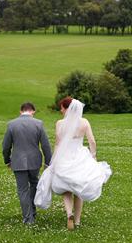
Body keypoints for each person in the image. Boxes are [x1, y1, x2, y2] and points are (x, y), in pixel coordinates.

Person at [35, 97, 112, 230]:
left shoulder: (60, 123)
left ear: (67, 109)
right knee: (79, 190)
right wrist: (93, 156)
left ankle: (69, 213)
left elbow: (58, 143)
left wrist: (53, 160)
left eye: (62, 108)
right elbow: (92, 141)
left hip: (64, 156)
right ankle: (76, 221)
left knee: (65, 188)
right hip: (79, 156)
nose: (60, 110)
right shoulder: (84, 122)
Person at [2, 102, 52, 225]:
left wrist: (7, 160)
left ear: (21, 111)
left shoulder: (11, 124)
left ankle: (28, 218)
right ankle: (32, 213)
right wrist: (47, 162)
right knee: (34, 184)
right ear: (33, 111)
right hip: (35, 161)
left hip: (18, 161)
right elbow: (46, 145)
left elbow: (5, 146)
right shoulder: (38, 124)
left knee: (23, 189)